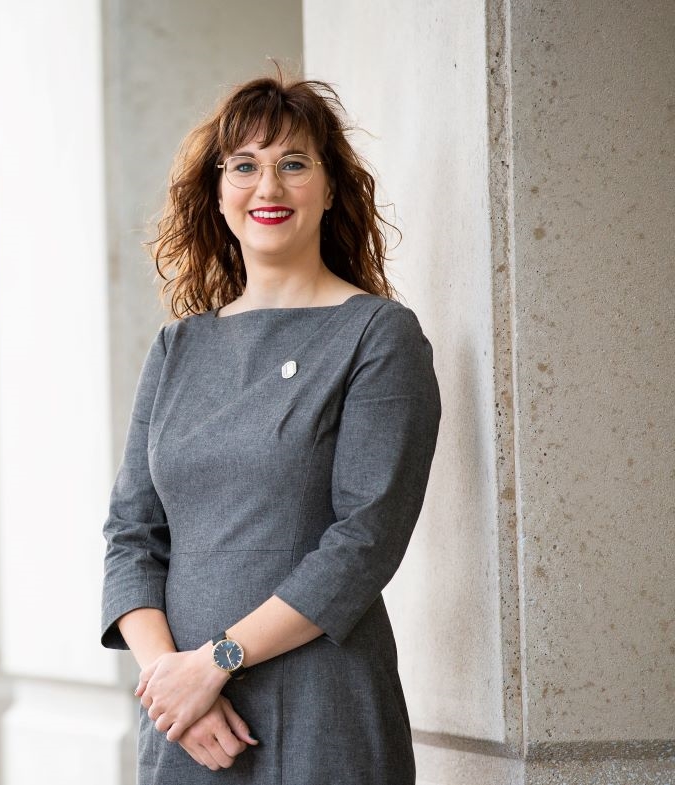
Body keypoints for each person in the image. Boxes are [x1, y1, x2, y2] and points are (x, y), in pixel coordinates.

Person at [99, 73, 442, 784]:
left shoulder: (377, 336)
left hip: (323, 709)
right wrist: (175, 686)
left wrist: (216, 661)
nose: (269, 186)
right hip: (191, 729)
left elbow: (363, 541)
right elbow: (131, 535)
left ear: (331, 186)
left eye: (294, 163)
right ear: (216, 191)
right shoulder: (176, 350)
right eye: (245, 166)